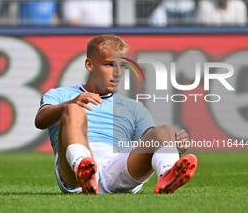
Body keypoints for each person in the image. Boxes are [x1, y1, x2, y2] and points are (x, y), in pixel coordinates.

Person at [35, 34, 198, 194]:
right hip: (72, 170)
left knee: (165, 131)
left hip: (117, 163)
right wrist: (69, 104)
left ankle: (168, 173)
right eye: (109, 65)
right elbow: (40, 120)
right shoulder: (61, 95)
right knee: (73, 110)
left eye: (122, 66)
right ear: (89, 65)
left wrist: (173, 147)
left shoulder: (133, 107)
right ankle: (82, 168)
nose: (118, 72)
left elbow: (152, 140)